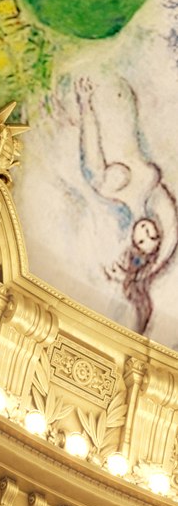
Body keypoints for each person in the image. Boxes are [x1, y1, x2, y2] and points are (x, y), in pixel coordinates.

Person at [75, 75, 178, 334]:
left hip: (95, 87)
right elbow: (172, 228)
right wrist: (152, 268)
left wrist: (86, 103)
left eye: (142, 240)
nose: (147, 232)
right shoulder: (150, 194)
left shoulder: (107, 186)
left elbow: (91, 146)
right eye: (153, 235)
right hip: (124, 88)